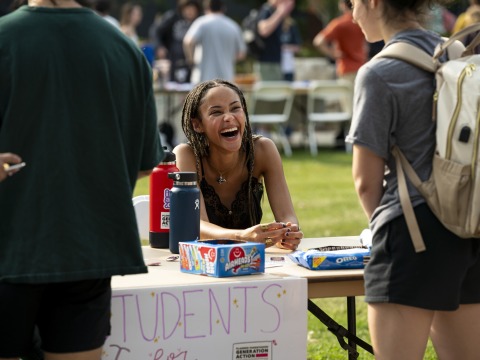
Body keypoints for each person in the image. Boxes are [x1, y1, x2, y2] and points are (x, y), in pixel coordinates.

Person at [0, 1, 164, 360]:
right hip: (90, 247)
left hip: (11, 247)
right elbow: (141, 163)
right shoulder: (125, 50)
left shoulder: (5, 38)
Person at [346, 0, 480, 359]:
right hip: (469, 225)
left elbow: (365, 180)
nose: (353, 14)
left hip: (411, 231)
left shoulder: (379, 72)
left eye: (353, 3)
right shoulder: (459, 52)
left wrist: (382, 232)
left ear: (373, 2)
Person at [173, 79, 303, 250]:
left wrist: (288, 232)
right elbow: (197, 225)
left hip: (249, 265)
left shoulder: (263, 150)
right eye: (216, 112)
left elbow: (287, 215)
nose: (229, 117)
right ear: (197, 125)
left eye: (235, 108)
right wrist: (241, 237)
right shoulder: (186, 155)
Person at [183, 0, 246, 84]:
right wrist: (226, 59)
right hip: (226, 79)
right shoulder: (233, 26)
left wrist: (191, 60)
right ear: (223, 8)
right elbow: (241, 54)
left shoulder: (202, 22)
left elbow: (188, 42)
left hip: (203, 78)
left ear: (206, 8)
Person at [312, 0, 367, 84]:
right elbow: (366, 45)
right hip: (361, 66)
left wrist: (332, 54)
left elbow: (318, 41)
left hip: (346, 68)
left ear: (342, 5)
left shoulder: (339, 23)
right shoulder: (361, 22)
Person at [155, 0, 202, 83]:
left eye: (193, 10)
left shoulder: (200, 21)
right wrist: (159, 46)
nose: (190, 12)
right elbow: (157, 31)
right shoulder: (173, 17)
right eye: (188, 9)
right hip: (174, 58)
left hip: (193, 60)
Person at [255, 0, 295, 81]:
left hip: (279, 63)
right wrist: (280, 12)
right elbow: (263, 30)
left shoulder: (282, 16)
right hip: (268, 63)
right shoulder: (267, 9)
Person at [280, 16, 302, 81]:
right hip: (275, 65)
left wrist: (285, 47)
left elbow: (298, 48)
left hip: (288, 65)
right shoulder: (274, 29)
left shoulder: (292, 28)